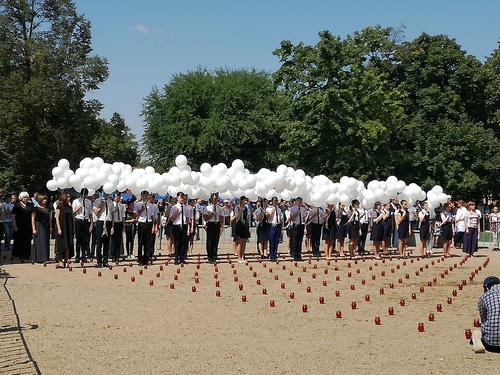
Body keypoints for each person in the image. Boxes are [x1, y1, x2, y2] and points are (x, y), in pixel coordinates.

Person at [477, 276, 500, 353]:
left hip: (491, 345)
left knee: (476, 333)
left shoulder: (484, 297)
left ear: (486, 288)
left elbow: (483, 319)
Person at [135, 191, 158, 265]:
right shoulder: (138, 204)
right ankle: (140, 259)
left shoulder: (151, 205)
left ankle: (146, 258)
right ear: (142, 196)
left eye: (147, 195)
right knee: (140, 242)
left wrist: (154, 225)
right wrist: (141, 209)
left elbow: (152, 216)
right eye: (144, 195)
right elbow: (135, 215)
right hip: (141, 223)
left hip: (149, 223)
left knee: (148, 242)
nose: (146, 196)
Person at [169, 192, 191, 265]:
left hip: (184, 225)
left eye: (183, 197)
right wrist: (177, 213)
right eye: (180, 197)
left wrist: (188, 228)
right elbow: (171, 219)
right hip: (176, 225)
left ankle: (182, 258)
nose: (182, 199)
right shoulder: (174, 207)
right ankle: (176, 258)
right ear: (177, 198)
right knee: (177, 243)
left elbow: (188, 219)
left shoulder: (187, 207)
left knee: (183, 243)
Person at [72, 188, 93, 262]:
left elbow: (90, 213)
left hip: (86, 220)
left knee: (85, 240)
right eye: (83, 194)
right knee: (78, 239)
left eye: (86, 195)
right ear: (80, 194)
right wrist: (79, 207)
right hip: (78, 220)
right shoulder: (75, 201)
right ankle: (77, 256)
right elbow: (73, 212)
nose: (84, 196)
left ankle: (84, 256)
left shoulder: (89, 202)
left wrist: (91, 224)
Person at [93, 191, 113, 267]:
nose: (106, 194)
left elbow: (112, 213)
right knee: (99, 242)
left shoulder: (111, 202)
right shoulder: (97, 200)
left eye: (108, 193)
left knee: (106, 243)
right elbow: (96, 213)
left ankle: (105, 260)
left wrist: (112, 226)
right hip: (100, 222)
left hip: (108, 222)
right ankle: (99, 261)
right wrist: (102, 205)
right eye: (105, 192)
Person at [54, 191, 74, 266]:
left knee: (68, 245)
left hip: (69, 228)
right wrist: (59, 228)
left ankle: (66, 260)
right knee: (61, 245)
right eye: (68, 197)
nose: (69, 198)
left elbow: (72, 217)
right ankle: (60, 260)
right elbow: (56, 218)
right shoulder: (59, 207)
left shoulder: (70, 207)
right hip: (62, 227)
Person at [12, 192, 33, 260]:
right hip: (19, 226)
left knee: (28, 240)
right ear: (21, 198)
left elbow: (33, 215)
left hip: (28, 226)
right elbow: (13, 216)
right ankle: (19, 255)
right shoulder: (17, 205)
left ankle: (27, 255)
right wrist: (14, 226)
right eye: (24, 197)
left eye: (26, 197)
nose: (25, 198)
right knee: (19, 241)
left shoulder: (30, 205)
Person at [203, 193, 223, 264]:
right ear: (211, 199)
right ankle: (209, 256)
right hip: (210, 224)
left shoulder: (219, 208)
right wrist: (211, 214)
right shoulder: (207, 208)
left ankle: (214, 256)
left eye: (216, 199)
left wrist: (221, 227)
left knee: (216, 240)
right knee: (209, 241)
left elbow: (221, 218)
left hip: (216, 224)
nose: (215, 200)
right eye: (214, 199)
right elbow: (205, 218)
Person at [31, 194, 50, 263]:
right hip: (38, 225)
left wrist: (50, 227)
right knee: (38, 242)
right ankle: (38, 258)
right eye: (44, 199)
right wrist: (33, 228)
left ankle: (45, 257)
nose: (45, 200)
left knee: (45, 241)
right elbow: (33, 218)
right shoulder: (35, 208)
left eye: (46, 199)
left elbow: (49, 219)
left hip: (46, 226)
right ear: (40, 200)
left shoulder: (47, 209)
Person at [232, 196, 250, 263]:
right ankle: (239, 257)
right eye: (244, 200)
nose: (245, 202)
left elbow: (247, 217)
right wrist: (240, 211)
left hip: (245, 225)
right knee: (240, 242)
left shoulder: (246, 208)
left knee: (244, 241)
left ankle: (242, 256)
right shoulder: (237, 207)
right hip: (239, 225)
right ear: (241, 200)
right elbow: (237, 218)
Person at [266, 196, 283, 262]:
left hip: (278, 225)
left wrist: (281, 226)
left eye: (277, 200)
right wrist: (272, 211)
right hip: (272, 225)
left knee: (276, 241)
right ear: (272, 201)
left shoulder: (279, 209)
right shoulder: (269, 208)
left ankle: (274, 255)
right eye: (275, 200)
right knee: (272, 241)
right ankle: (271, 255)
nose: (276, 202)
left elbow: (280, 218)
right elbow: (268, 217)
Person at [111, 192, 125, 263]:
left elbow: (123, 216)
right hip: (113, 223)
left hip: (119, 223)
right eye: (117, 197)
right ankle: (113, 255)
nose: (118, 198)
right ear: (114, 197)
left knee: (119, 240)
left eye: (119, 197)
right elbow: (110, 213)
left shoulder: (121, 205)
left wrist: (123, 226)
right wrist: (114, 210)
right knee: (113, 240)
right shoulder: (112, 204)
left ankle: (117, 256)